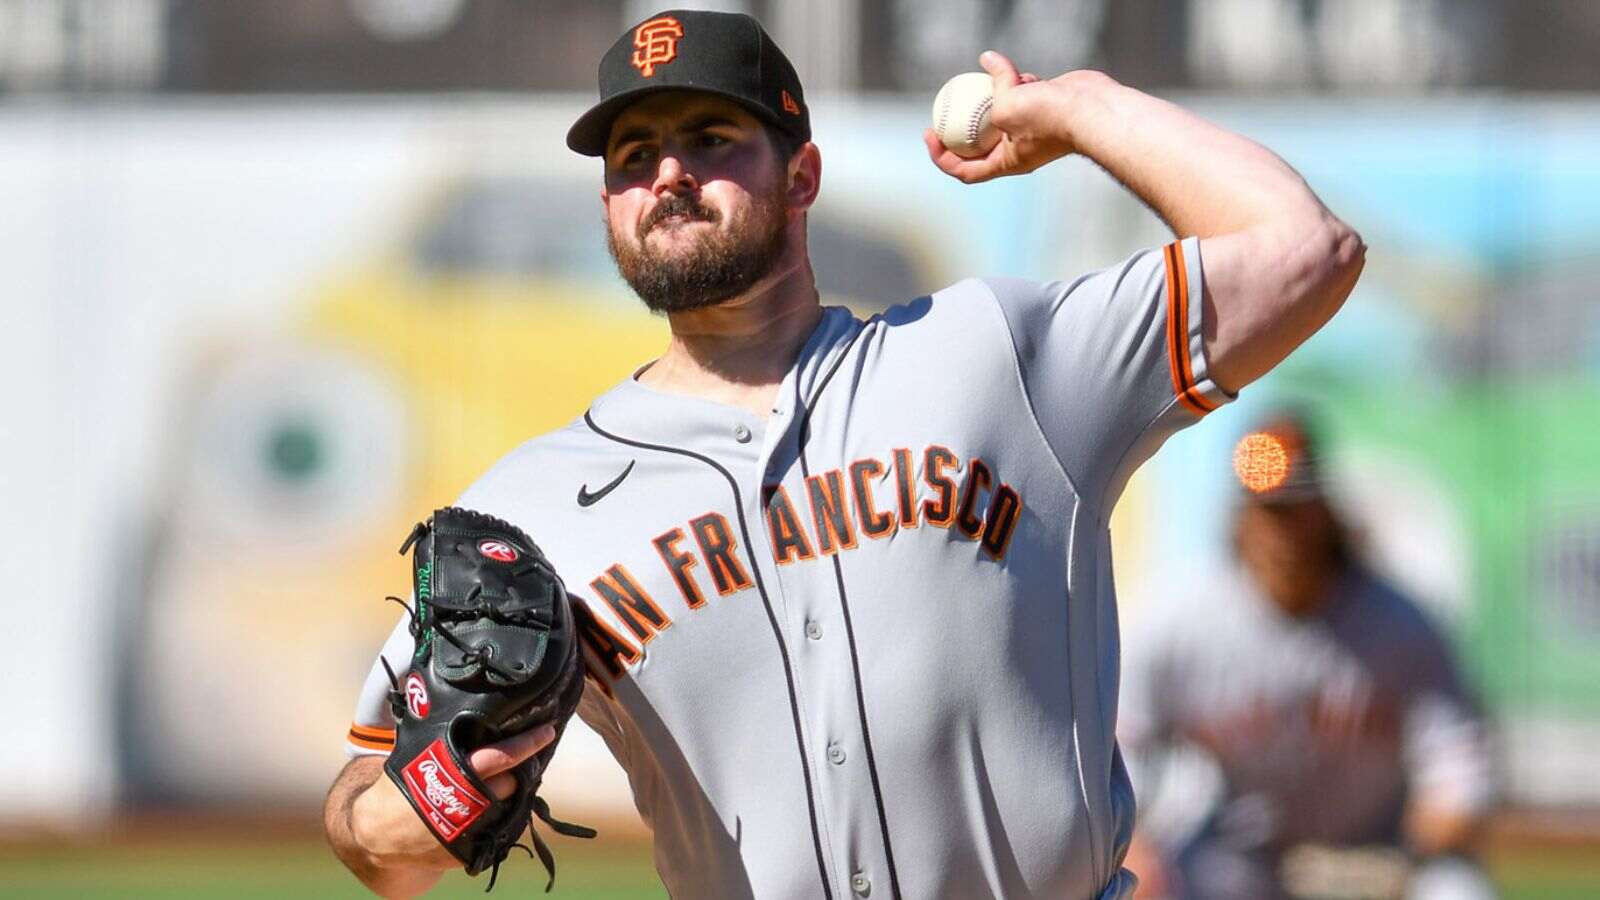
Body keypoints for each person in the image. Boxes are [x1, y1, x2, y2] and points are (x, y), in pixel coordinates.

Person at [323, 9, 1365, 899]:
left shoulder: (996, 359)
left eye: (712, 137)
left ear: (802, 172)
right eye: (633, 158)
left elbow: (1304, 251)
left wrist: (1082, 109)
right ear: (609, 207)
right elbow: (366, 810)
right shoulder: (532, 510)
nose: (670, 175)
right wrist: (397, 823)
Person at [1119, 413, 1496, 900]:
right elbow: (1122, 753)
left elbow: (1458, 772)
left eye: (1294, 507)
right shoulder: (1179, 620)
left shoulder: (1402, 625)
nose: (1282, 530)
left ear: (1325, 509)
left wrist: (1413, 855)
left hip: (1379, 855)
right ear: (1241, 515)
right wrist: (1133, 846)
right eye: (1266, 509)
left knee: (1459, 892)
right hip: (1237, 856)